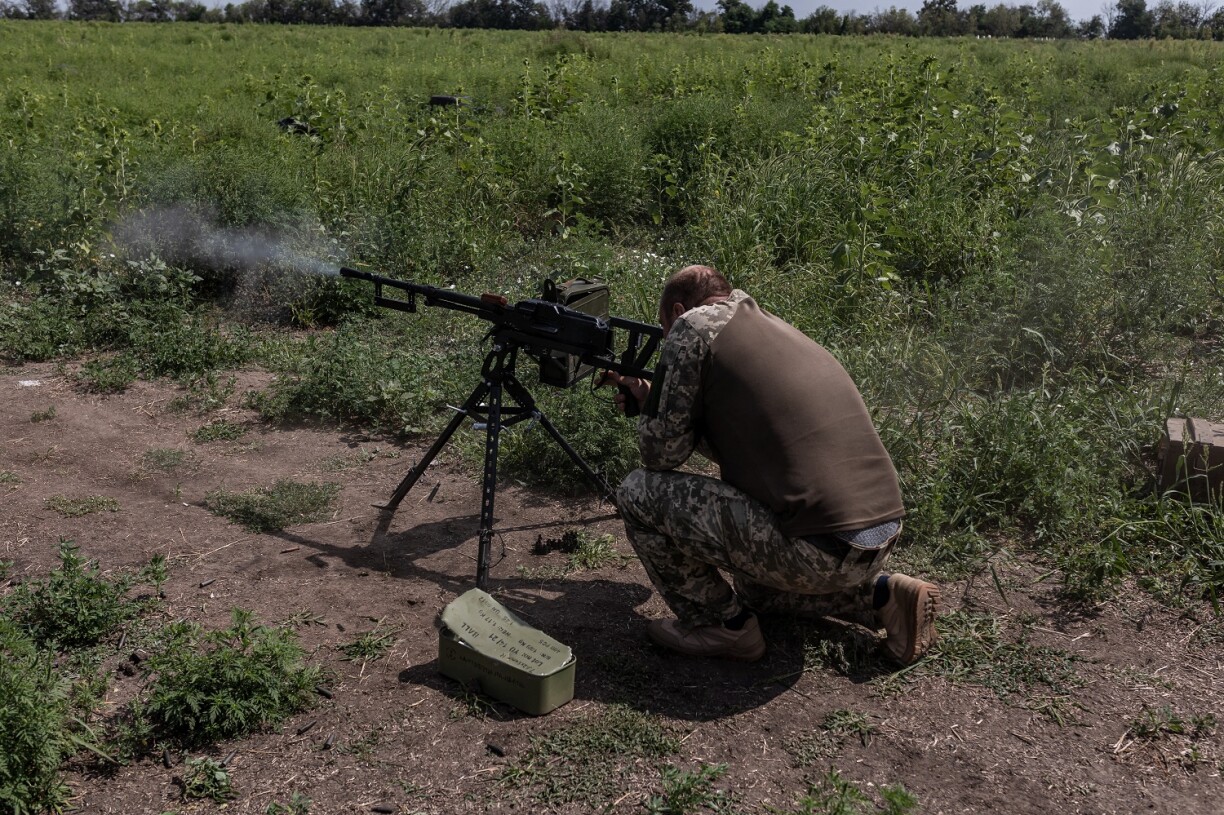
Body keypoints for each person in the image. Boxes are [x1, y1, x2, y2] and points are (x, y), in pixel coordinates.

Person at [603, 265, 940, 665]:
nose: (668, 338)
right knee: (755, 589)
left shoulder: (691, 325)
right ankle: (883, 596)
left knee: (637, 492)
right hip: (874, 535)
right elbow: (751, 442)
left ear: (677, 311)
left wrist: (655, 412)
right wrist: (656, 401)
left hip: (818, 549)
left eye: (665, 329)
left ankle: (722, 626)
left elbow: (660, 454)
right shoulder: (767, 325)